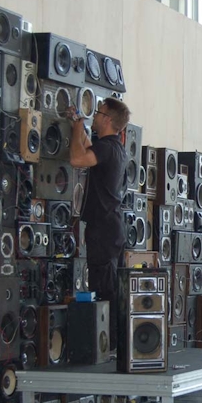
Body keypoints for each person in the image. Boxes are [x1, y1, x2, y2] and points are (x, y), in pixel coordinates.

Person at [68, 97, 130, 304]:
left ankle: (107, 336)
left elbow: (77, 159)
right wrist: (78, 125)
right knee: (111, 291)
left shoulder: (106, 148)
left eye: (99, 113)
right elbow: (89, 148)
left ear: (107, 120)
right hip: (112, 230)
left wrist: (78, 127)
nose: (94, 116)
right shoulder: (114, 148)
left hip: (103, 233)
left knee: (104, 295)